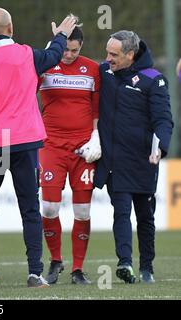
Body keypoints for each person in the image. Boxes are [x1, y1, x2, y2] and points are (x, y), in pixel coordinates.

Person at [0, 8, 77, 288]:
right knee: (29, 207)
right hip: (26, 142)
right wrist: (61, 35)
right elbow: (52, 56)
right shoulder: (28, 54)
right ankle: (35, 272)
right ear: (11, 28)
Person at [94, 31, 173, 284]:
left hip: (143, 160)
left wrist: (159, 147)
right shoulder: (104, 73)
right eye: (107, 53)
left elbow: (163, 119)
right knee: (121, 211)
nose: (108, 59)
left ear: (130, 55)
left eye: (114, 55)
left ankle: (147, 266)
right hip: (114, 162)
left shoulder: (154, 80)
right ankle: (125, 263)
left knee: (146, 217)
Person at [38, 17, 100, 285]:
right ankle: (55, 261)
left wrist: (96, 138)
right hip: (51, 145)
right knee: (50, 207)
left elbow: (97, 110)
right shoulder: (44, 66)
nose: (69, 55)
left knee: (83, 211)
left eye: (74, 50)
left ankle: (77, 269)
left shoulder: (93, 69)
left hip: (82, 149)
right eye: (65, 49)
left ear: (81, 46)